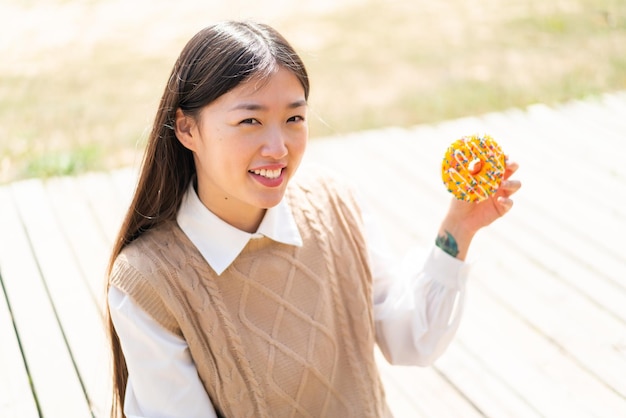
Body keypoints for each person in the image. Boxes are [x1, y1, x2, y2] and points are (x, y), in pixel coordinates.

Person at [105, 20, 521, 418]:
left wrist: (458, 228)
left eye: (294, 119)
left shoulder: (333, 204)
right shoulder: (148, 284)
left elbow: (411, 339)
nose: (278, 147)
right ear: (186, 129)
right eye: (250, 120)